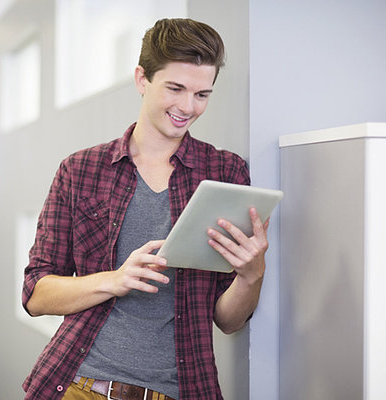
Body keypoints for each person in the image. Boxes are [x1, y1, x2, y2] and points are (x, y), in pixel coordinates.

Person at [22, 18, 269, 400]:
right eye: (176, 88)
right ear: (142, 79)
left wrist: (251, 276)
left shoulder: (226, 172)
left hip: (180, 391)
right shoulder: (81, 170)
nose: (188, 107)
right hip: (79, 385)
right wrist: (114, 280)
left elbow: (228, 320)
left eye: (202, 94)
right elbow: (36, 294)